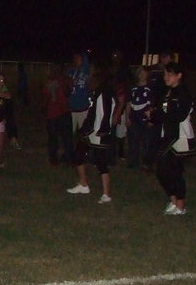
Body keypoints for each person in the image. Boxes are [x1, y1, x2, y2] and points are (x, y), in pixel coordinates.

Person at [67, 67, 115, 202]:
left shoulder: (105, 93)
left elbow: (106, 113)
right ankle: (83, 184)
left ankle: (106, 194)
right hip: (90, 131)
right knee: (78, 154)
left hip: (99, 132)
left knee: (101, 163)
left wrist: (103, 130)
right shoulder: (97, 92)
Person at [155, 61, 195, 215]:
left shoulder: (183, 93)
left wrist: (163, 114)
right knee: (162, 170)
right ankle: (173, 200)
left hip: (181, 137)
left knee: (176, 172)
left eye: (170, 74)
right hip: (169, 135)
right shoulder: (168, 92)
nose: (166, 77)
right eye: (165, 74)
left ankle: (180, 205)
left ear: (179, 76)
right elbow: (161, 111)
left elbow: (180, 115)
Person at [125, 67, 155, 170]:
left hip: (145, 118)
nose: (142, 75)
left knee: (146, 141)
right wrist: (127, 118)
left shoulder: (150, 88)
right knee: (133, 140)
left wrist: (151, 119)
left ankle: (146, 163)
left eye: (144, 73)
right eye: (140, 73)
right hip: (134, 118)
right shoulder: (132, 88)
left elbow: (152, 104)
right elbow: (128, 103)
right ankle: (133, 162)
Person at [42, 61, 72, 166]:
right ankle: (54, 159)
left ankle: (67, 158)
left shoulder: (65, 80)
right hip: (54, 113)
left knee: (65, 138)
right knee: (54, 138)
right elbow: (46, 97)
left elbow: (68, 93)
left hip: (63, 112)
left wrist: (61, 85)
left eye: (58, 68)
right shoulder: (50, 81)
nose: (56, 70)